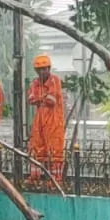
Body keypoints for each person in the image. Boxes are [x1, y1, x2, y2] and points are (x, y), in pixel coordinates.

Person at [26, 54, 65, 182]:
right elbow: (30, 99)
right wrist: (43, 98)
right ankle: (35, 178)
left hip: (54, 121)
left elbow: (51, 100)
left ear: (49, 68)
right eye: (39, 69)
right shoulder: (35, 83)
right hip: (40, 120)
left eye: (44, 68)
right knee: (36, 146)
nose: (42, 72)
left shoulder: (55, 80)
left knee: (54, 149)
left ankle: (55, 180)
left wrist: (39, 99)